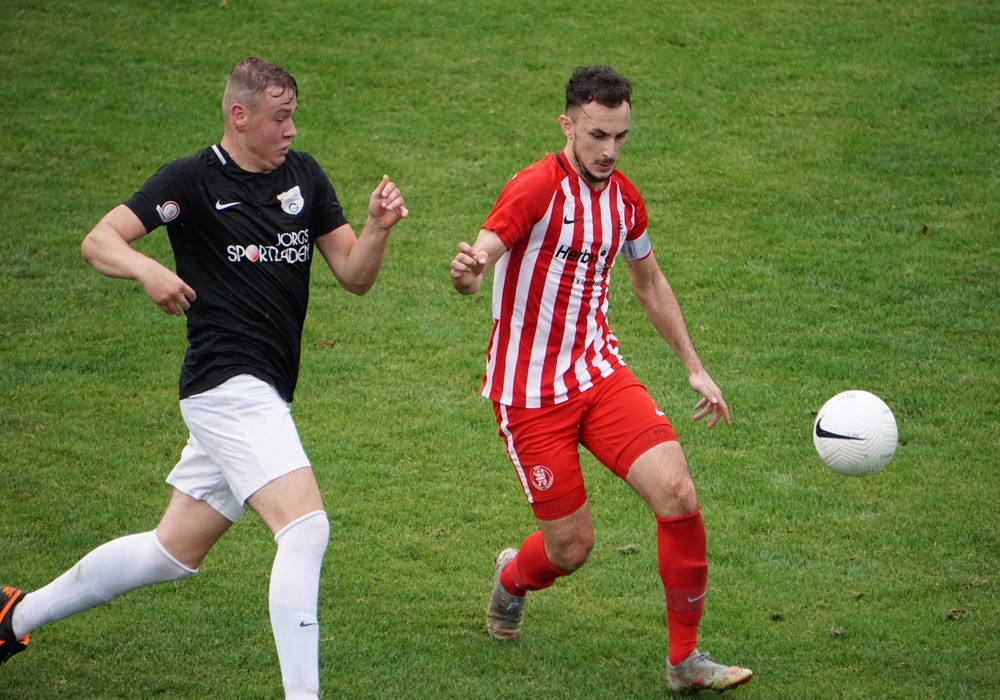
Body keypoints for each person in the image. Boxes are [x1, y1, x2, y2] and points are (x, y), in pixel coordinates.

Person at [0, 57, 408, 699]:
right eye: (279, 118)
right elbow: (99, 240)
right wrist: (147, 270)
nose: (291, 130)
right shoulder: (190, 180)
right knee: (306, 529)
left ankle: (13, 618)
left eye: (294, 116)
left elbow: (354, 276)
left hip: (262, 390)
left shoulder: (304, 176)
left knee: (170, 552)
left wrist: (378, 228)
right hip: (226, 385)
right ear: (239, 116)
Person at [450, 65, 752, 695]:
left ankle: (684, 661)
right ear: (567, 125)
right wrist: (471, 272)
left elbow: (649, 281)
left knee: (677, 490)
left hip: (598, 374)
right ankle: (511, 578)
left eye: (620, 136)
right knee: (571, 549)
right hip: (531, 397)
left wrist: (694, 366)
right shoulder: (536, 188)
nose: (610, 150)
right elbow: (486, 251)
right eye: (597, 135)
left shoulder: (624, 201)